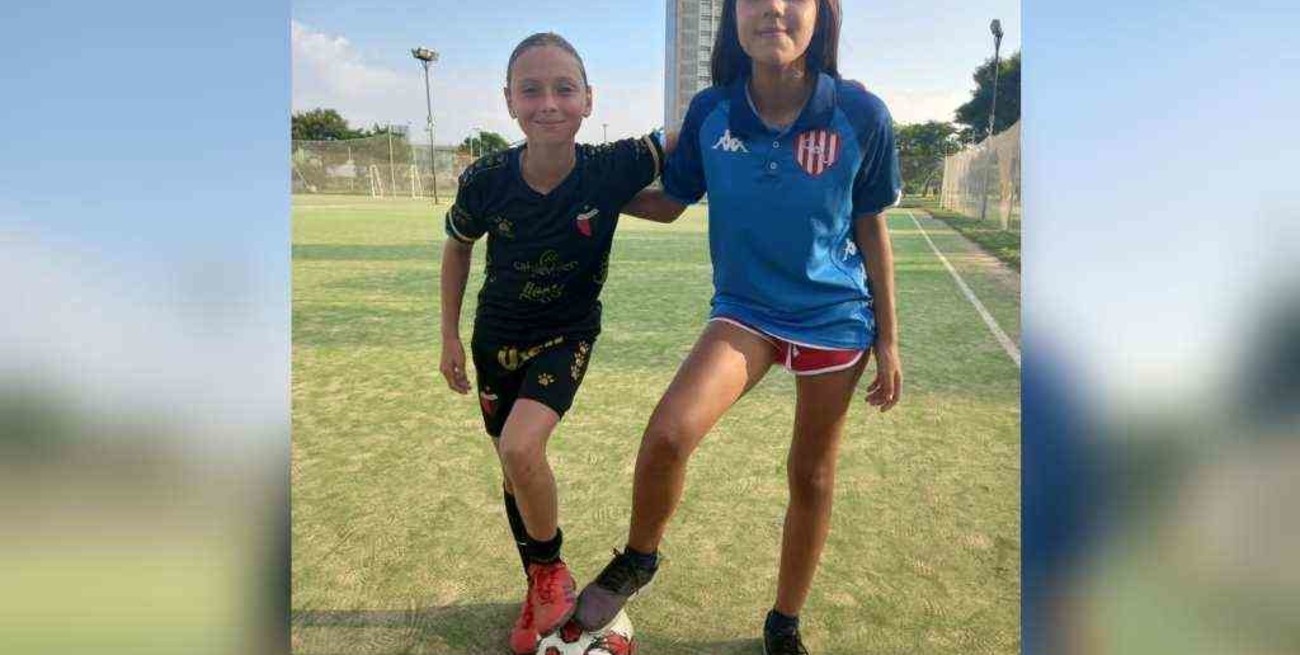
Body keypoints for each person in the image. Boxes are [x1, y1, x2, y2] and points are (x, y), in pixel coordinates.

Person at [573, 1, 903, 653]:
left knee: (810, 475)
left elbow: (870, 225)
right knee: (668, 433)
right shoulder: (712, 110)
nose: (773, 8)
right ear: (733, 16)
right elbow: (672, 200)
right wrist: (587, 193)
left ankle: (784, 622)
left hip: (834, 321)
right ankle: (640, 556)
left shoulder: (861, 114)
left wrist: (888, 337)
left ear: (821, 14)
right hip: (746, 311)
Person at [438, 32, 667, 655]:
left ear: (589, 99)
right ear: (509, 101)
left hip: (565, 338)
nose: (549, 103)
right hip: (495, 342)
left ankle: (549, 570)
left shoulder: (613, 165)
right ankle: (538, 585)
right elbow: (458, 245)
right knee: (515, 472)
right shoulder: (485, 178)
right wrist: (449, 336)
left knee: (521, 445)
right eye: (531, 89)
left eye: (565, 88)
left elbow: (686, 140)